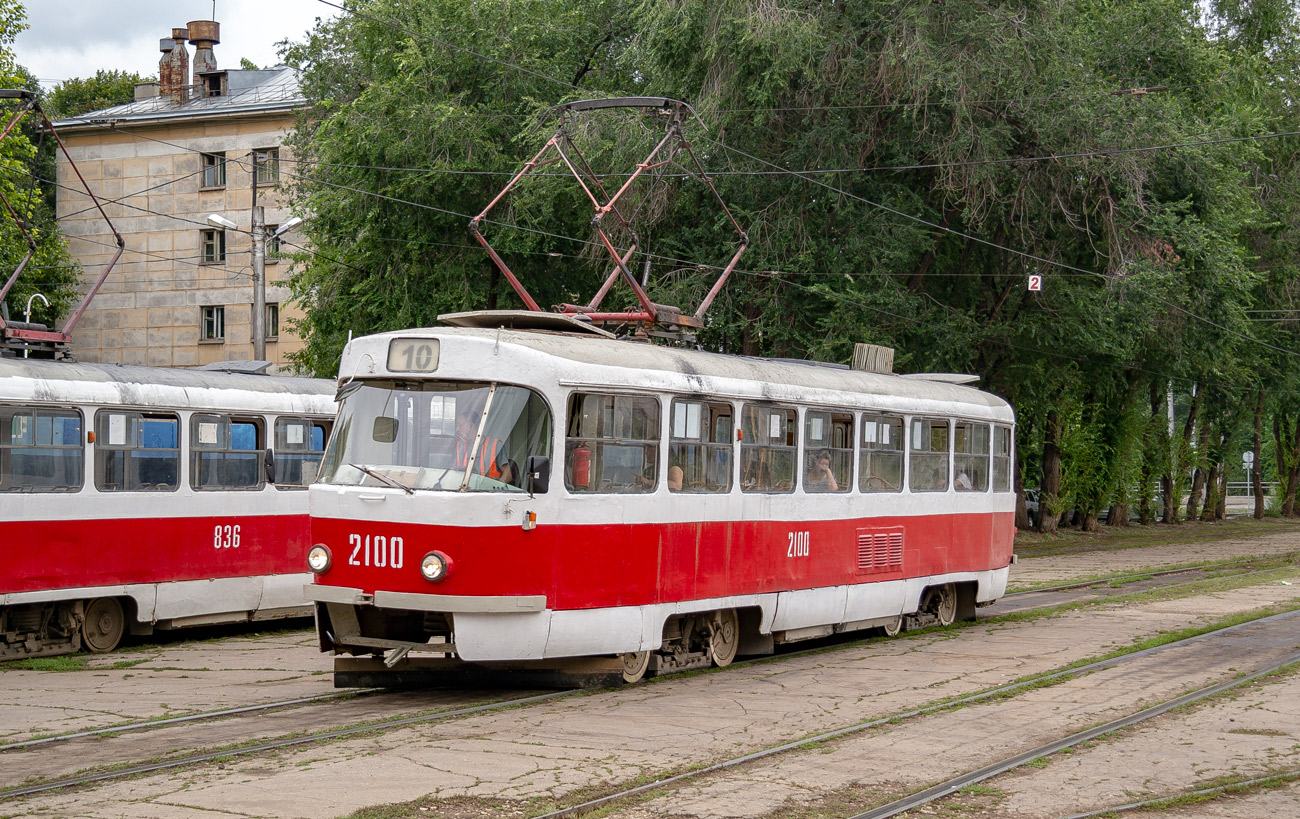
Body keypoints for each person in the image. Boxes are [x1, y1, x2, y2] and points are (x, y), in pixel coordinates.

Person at [455, 410, 512, 483]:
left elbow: (508, 474)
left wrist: (496, 489)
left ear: (471, 426)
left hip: (487, 492)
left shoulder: (495, 445)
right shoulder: (459, 447)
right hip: (465, 491)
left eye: (460, 425)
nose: (458, 429)